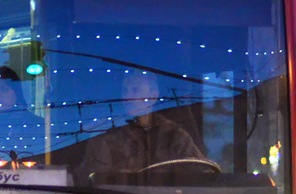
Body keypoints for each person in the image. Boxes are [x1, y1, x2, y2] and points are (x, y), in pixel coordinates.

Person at [78, 70, 209, 185]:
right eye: (125, 91)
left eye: (135, 91)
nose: (127, 97)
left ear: (153, 95)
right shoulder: (107, 136)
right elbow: (85, 180)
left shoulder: (174, 136)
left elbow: (203, 177)